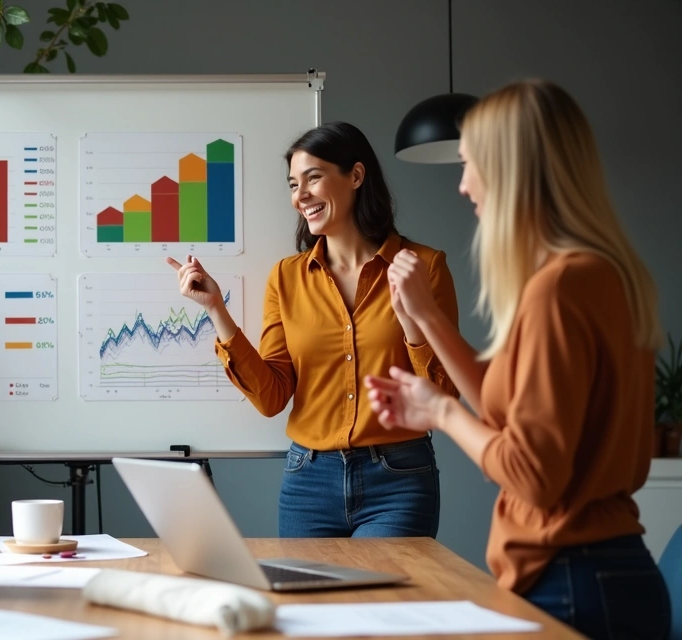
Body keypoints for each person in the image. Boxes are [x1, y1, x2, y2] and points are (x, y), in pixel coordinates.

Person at [365, 79, 671, 639]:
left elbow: (533, 474)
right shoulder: (601, 274)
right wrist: (428, 319)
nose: (462, 186)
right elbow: (513, 412)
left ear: (512, 170)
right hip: (603, 573)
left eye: (469, 164)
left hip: (572, 583)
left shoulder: (559, 288)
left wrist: (441, 414)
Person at [167, 122, 460, 538]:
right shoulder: (287, 278)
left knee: (379, 603)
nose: (299, 195)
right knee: (308, 603)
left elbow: (444, 397)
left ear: (356, 176)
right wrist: (216, 309)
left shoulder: (424, 267)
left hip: (398, 478)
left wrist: (413, 322)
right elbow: (271, 398)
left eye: (313, 178)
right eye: (292, 184)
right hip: (309, 482)